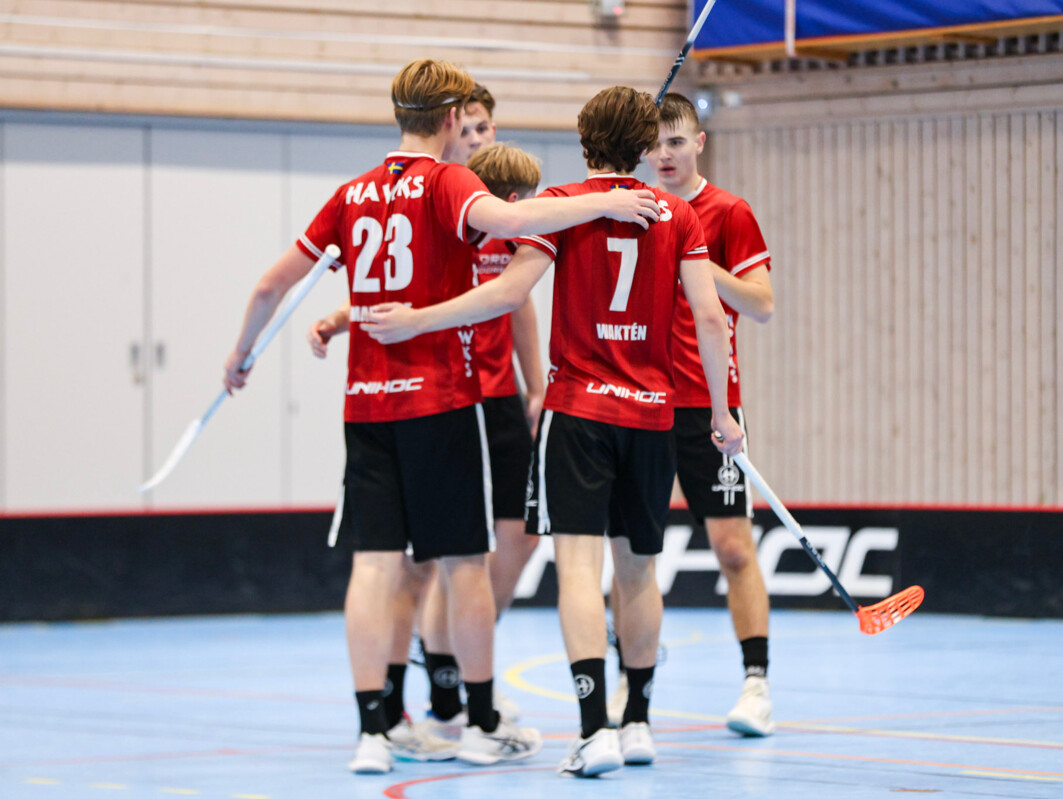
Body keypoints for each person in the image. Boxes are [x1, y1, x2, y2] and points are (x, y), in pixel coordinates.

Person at [223, 59, 661, 774]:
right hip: (442, 401)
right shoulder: (447, 182)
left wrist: (240, 355)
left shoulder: (349, 193)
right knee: (464, 566)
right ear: (453, 117)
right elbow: (514, 222)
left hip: (366, 406)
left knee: (375, 566)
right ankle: (478, 720)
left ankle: (372, 731)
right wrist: (605, 200)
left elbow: (273, 284)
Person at [357, 86, 745, 778]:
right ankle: (638, 721)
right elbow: (712, 319)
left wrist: (417, 319)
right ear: (645, 146)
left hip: (579, 413)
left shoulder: (563, 206)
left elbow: (508, 294)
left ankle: (594, 731)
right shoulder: (679, 214)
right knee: (639, 569)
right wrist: (721, 411)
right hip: (653, 414)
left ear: (585, 141)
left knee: (578, 570)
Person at [309, 84, 542, 732]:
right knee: (419, 561)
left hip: (495, 397)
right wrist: (343, 318)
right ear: (446, 128)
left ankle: (464, 672)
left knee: (507, 543)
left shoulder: (493, 206)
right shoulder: (432, 196)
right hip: (439, 397)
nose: (478, 138)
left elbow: (516, 298)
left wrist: (537, 384)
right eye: (468, 127)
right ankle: (414, 698)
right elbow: (394, 286)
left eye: (486, 127)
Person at [610, 91, 777, 736]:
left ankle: (756, 684)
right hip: (640, 401)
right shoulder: (633, 209)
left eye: (676, 142)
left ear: (699, 143)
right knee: (633, 556)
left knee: (733, 548)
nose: (665, 155)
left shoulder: (729, 212)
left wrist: (698, 264)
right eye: (655, 145)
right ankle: (630, 677)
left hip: (711, 406)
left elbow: (761, 305)